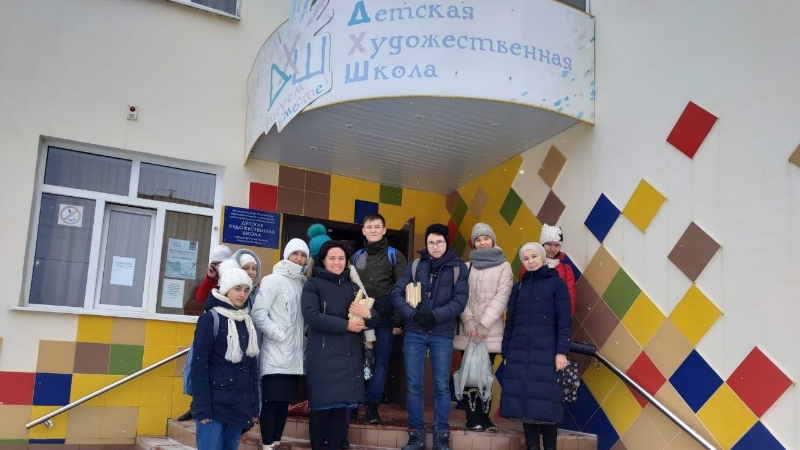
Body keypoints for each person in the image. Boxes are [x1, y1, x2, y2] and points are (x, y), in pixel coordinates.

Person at [391, 224, 469, 450]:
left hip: (442, 333)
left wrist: (435, 316)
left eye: (439, 242)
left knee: (441, 386)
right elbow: (396, 293)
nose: (435, 246)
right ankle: (415, 436)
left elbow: (459, 301)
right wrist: (413, 314)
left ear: (446, 243)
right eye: (431, 242)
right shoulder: (416, 265)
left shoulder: (458, 268)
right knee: (414, 385)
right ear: (426, 244)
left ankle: (441, 437)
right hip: (415, 332)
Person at [301, 241, 379, 450]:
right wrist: (346, 325)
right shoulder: (313, 285)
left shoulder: (352, 286)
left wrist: (367, 313)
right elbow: (311, 316)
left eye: (341, 258)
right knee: (320, 408)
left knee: (340, 409)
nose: (337, 262)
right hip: (322, 356)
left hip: (348, 356)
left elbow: (373, 316)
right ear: (323, 260)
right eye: (332, 258)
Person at [500, 243, 571, 450]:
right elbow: (510, 322)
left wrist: (562, 352)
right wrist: (506, 352)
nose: (530, 261)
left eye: (534, 257)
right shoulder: (519, 288)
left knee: (547, 406)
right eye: (526, 258)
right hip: (520, 353)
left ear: (542, 257)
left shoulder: (557, 284)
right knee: (526, 405)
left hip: (547, 354)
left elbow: (564, 321)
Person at [190, 264, 261, 450]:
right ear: (226, 289)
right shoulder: (210, 319)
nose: (242, 294)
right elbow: (199, 366)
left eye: (246, 290)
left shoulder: (246, 320)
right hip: (214, 406)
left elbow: (251, 368)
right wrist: (202, 407)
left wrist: (254, 406)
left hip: (238, 405)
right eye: (237, 289)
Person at [453, 223, 512, 432]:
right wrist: (468, 320)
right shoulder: (466, 266)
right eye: (478, 239)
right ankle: (473, 417)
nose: (482, 242)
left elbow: (502, 296)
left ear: (493, 240)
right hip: (468, 330)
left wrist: (484, 324)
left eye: (486, 238)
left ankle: (484, 417)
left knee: (486, 374)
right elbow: (460, 295)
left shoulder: (504, 266)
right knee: (469, 373)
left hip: (490, 332)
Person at [251, 238, 310, 450]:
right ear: (286, 255)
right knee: (272, 401)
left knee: (284, 403)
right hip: (276, 352)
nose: (299, 259)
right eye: (295, 254)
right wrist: (279, 335)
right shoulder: (272, 280)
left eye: (303, 255)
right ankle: (267, 443)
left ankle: (276, 441)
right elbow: (258, 314)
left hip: (296, 355)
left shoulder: (303, 284)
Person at [352, 214, 408, 425]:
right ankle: (354, 404)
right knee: (356, 361)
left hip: (385, 320)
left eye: (377, 227)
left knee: (381, 363)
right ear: (363, 231)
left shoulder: (395, 256)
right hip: (359, 318)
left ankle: (372, 406)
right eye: (369, 227)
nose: (373, 230)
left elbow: (402, 289)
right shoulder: (356, 256)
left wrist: (398, 320)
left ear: (384, 230)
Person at [517, 225, 576, 315]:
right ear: (542, 244)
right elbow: (521, 294)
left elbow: (570, 298)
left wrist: (566, 319)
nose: (552, 249)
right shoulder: (530, 264)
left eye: (556, 245)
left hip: (553, 317)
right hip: (530, 315)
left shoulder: (566, 269)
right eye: (549, 244)